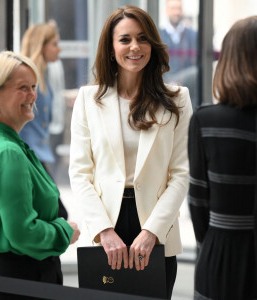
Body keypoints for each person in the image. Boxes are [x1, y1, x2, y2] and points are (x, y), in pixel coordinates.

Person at [69, 5, 192, 299]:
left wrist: (152, 231)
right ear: (111, 49)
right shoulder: (87, 99)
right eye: (124, 39)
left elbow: (181, 173)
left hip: (155, 226)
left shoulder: (178, 99)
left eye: (142, 38)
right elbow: (80, 172)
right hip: (105, 226)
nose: (135, 47)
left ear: (153, 44)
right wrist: (103, 231)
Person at [188, 16, 257, 300]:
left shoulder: (205, 121)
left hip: (221, 267)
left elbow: (198, 204)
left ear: (229, 60)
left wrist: (215, 244)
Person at [0, 51, 80, 299]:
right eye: (23, 88)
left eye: (33, 87)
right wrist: (65, 231)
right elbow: (22, 232)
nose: (33, 95)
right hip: (24, 281)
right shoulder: (9, 152)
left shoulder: (10, 144)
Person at [20, 22, 68, 220]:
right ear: (42, 45)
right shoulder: (27, 79)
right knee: (57, 213)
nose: (59, 48)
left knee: (53, 212)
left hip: (39, 155)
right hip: (29, 156)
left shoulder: (44, 77)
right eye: (54, 44)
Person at [160, 0, 198, 106]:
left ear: (183, 11)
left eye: (179, 8)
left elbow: (197, 66)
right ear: (166, 11)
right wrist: (170, 83)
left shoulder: (194, 36)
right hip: (164, 93)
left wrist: (181, 81)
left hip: (190, 95)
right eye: (173, 8)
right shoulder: (158, 36)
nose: (176, 12)